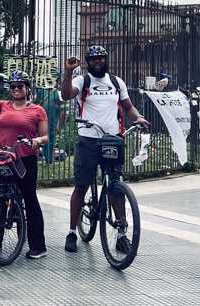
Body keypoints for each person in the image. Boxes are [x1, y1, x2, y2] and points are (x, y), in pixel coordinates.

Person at [60, 45, 149, 253]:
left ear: (106, 60)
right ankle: (72, 232)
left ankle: (121, 234)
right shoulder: (83, 81)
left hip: (113, 140)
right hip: (88, 140)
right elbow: (66, 95)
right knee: (81, 186)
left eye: (100, 58)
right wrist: (68, 72)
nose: (97, 62)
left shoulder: (117, 82)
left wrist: (138, 117)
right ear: (88, 62)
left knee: (116, 186)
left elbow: (128, 107)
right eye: (92, 59)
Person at [0, 71, 49, 259]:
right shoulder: (3, 106)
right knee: (1, 199)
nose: (16, 89)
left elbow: (46, 136)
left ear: (27, 88)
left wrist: (38, 140)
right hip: (4, 156)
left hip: (25, 158)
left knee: (29, 199)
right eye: (13, 86)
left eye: (20, 86)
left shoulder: (37, 110)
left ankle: (37, 246)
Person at [35, 70, 68, 163]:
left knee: (49, 142)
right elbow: (35, 103)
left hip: (52, 122)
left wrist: (59, 125)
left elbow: (63, 111)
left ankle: (49, 161)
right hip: (38, 120)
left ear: (57, 80)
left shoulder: (61, 93)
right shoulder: (41, 90)